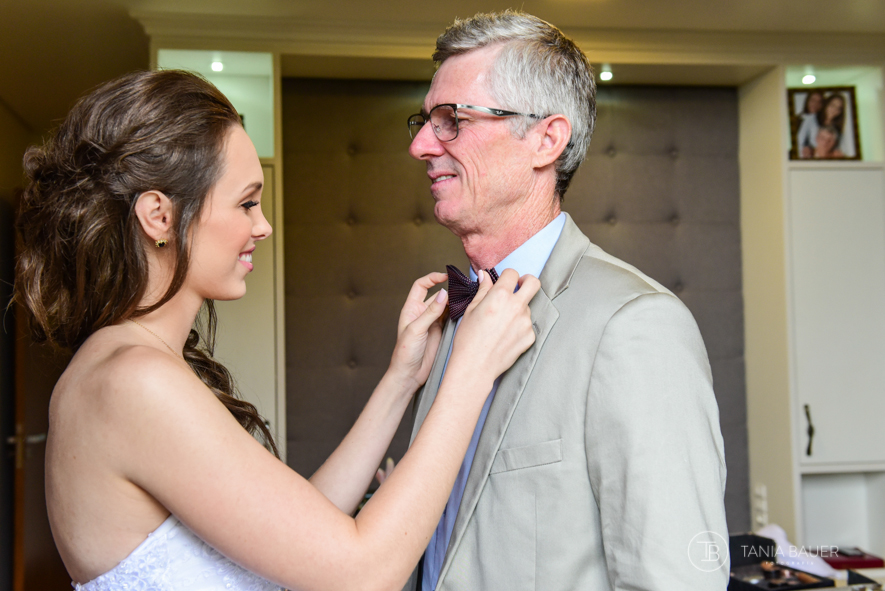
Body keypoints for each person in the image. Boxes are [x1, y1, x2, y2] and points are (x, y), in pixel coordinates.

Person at [13, 69, 540, 590]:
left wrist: (401, 380)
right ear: (159, 215)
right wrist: (469, 372)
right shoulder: (133, 381)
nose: (263, 225)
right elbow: (360, 572)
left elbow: (300, 531)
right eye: (246, 203)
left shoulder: (118, 364)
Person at [404, 10, 729, 591]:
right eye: (425, 121)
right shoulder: (456, 315)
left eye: (452, 119)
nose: (422, 145)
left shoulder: (635, 327)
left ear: (546, 139)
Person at [796, 90, 824, 158]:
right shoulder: (796, 120)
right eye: (813, 100)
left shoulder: (822, 123)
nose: (815, 104)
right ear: (807, 101)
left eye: (819, 102)